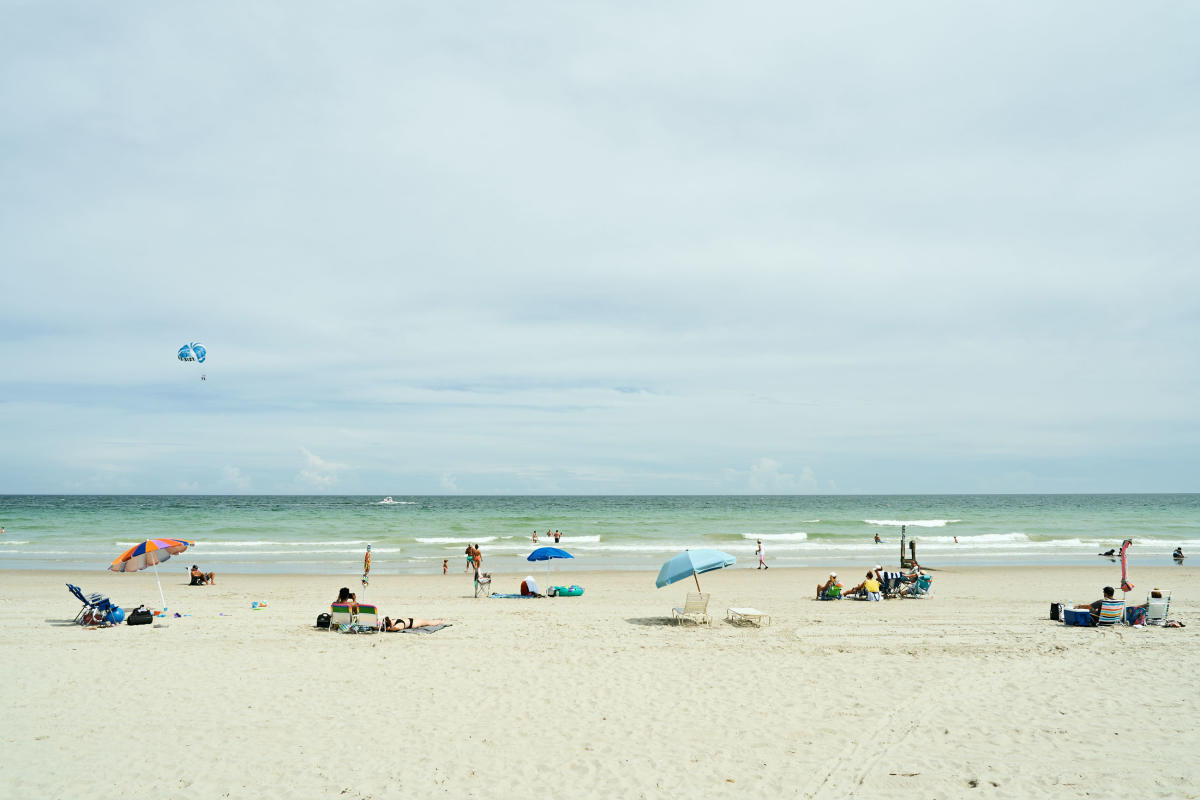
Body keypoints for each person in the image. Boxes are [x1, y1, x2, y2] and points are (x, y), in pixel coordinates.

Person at [382, 614, 446, 631]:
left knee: (429, 622)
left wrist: (389, 629)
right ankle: (440, 621)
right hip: (411, 622)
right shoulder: (396, 623)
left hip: (412, 622)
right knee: (428, 622)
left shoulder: (398, 624)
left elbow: (396, 628)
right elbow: (396, 628)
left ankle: (440, 621)